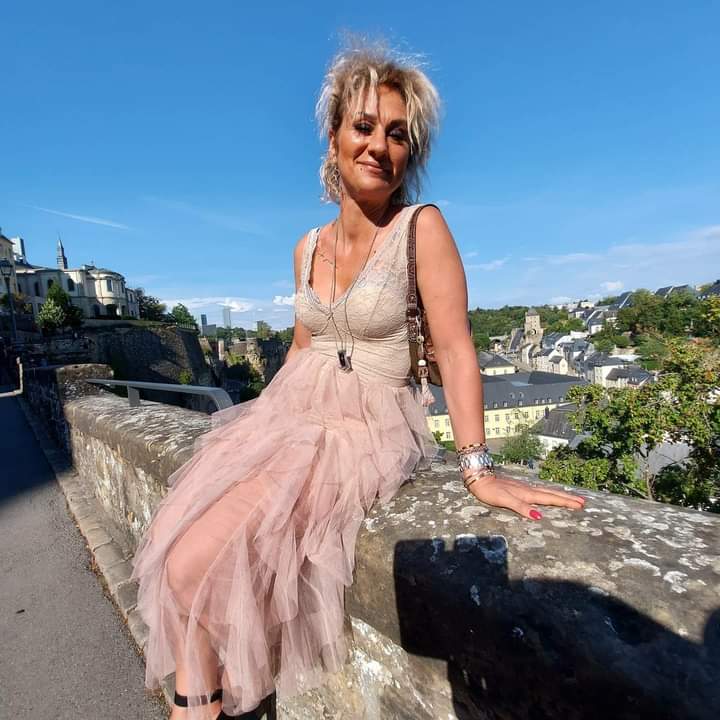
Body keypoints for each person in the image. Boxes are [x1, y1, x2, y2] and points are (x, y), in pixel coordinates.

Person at [130, 40, 585, 720]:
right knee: (179, 558)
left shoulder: (421, 228)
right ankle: (199, 706)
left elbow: (456, 348)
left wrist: (478, 467)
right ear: (334, 137)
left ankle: (199, 708)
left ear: (411, 155)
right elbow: (302, 347)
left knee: (195, 564)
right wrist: (256, 429)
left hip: (362, 429)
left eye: (398, 135)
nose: (379, 146)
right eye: (365, 126)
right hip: (292, 415)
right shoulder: (306, 247)